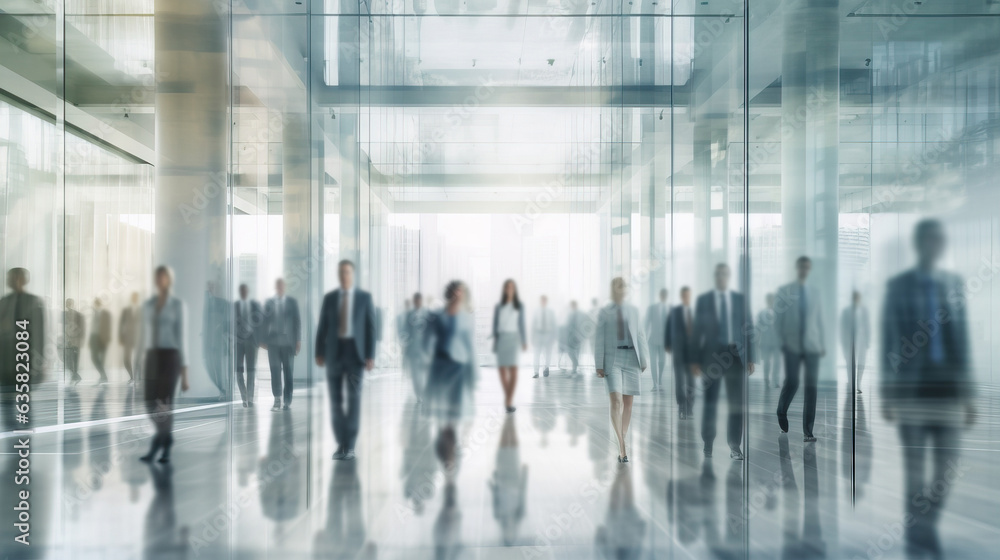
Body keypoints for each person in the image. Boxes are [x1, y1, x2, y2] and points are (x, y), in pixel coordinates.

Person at [881, 219, 976, 558]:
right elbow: (889, 341)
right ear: (919, 243)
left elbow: (962, 340)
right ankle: (916, 536)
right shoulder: (898, 286)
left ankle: (925, 523)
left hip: (948, 389)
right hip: (911, 391)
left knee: (948, 465)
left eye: (941, 240)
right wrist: (888, 393)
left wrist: (969, 395)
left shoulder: (953, 283)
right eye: (931, 239)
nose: (936, 245)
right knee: (915, 468)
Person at [690, 263, 755, 460]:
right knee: (711, 400)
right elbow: (696, 331)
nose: (722, 278)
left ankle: (735, 445)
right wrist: (694, 360)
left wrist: (751, 357)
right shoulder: (704, 300)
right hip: (711, 356)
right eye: (718, 274)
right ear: (714, 277)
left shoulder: (739, 300)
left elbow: (749, 327)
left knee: (737, 403)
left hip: (736, 355)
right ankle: (708, 442)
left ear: (729, 277)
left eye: (725, 274)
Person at [315, 260, 377, 461]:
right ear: (338, 274)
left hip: (355, 354)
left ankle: (349, 446)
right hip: (334, 353)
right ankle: (340, 443)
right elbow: (322, 327)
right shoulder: (330, 298)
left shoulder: (364, 298)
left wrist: (370, 355)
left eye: (348, 272)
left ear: (353, 274)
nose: (344, 275)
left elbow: (371, 328)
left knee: (354, 400)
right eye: (341, 272)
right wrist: (319, 351)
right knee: (335, 401)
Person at [137, 265, 191, 463]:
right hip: (152, 356)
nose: (160, 280)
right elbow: (143, 334)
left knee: (164, 404)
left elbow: (182, 338)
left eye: (164, 277)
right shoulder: (149, 304)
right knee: (149, 402)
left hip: (171, 357)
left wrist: (185, 373)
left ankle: (158, 444)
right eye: (157, 277)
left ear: (169, 279)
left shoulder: (177, 305)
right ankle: (166, 438)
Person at [595, 277, 649, 463]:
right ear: (613, 289)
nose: (622, 289)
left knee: (628, 403)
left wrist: (644, 359)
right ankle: (622, 446)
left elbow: (640, 335)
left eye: (624, 286)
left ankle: (622, 437)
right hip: (613, 359)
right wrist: (598, 364)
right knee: (616, 401)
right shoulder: (604, 312)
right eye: (618, 286)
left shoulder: (633, 311)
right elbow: (599, 338)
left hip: (631, 359)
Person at [775, 256, 826, 443]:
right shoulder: (785, 291)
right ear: (797, 268)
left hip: (812, 344)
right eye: (801, 267)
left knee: (811, 386)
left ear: (809, 269)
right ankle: (781, 410)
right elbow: (778, 319)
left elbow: (819, 320)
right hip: (792, 345)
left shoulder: (815, 292)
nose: (804, 270)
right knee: (793, 382)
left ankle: (808, 431)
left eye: (807, 267)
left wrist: (821, 343)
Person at [423, 281, 478, 424]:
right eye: (454, 291)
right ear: (449, 293)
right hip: (440, 363)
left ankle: (451, 432)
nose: (457, 294)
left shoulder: (466, 317)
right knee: (441, 401)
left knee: (456, 402)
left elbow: (470, 345)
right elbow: (426, 338)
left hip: (458, 364)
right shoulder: (436, 315)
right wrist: (427, 355)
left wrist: (473, 371)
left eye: (460, 291)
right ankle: (445, 431)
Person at [0, 268, 46, 429]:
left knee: (23, 398)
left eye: (12, 277)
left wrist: (40, 360)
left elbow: (39, 332)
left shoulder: (34, 302)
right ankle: (13, 429)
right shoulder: (4, 302)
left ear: (20, 279)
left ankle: (24, 429)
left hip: (24, 358)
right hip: (5, 360)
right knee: (6, 399)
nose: (8, 280)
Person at [262, 278, 301, 411]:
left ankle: (287, 399)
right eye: (277, 285)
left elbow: (297, 322)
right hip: (273, 342)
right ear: (275, 287)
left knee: (288, 371)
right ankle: (277, 399)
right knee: (275, 371)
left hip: (288, 342)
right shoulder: (269, 302)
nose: (279, 287)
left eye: (282, 285)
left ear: (285, 287)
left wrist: (298, 340)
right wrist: (262, 339)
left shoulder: (292, 302)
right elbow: (264, 321)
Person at [492, 279, 526, 413]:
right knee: (501, 370)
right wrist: (495, 342)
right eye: (507, 287)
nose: (510, 289)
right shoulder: (498, 306)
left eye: (512, 287)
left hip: (513, 338)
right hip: (501, 338)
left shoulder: (519, 306)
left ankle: (508, 401)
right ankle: (508, 398)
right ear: (504, 289)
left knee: (513, 370)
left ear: (515, 289)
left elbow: (522, 324)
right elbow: (495, 325)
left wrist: (524, 341)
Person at [665, 286, 696, 419]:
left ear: (690, 296)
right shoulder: (675, 311)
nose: (686, 298)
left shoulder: (695, 312)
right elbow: (668, 328)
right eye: (684, 295)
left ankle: (690, 406)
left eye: (688, 295)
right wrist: (667, 344)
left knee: (691, 380)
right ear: (681, 296)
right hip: (678, 350)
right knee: (679, 379)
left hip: (692, 352)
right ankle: (681, 404)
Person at [234, 283, 262, 407]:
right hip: (238, 341)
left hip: (252, 341)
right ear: (239, 292)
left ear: (248, 291)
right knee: (238, 370)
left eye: (245, 290)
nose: (243, 293)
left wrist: (260, 339)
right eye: (241, 291)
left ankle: (250, 398)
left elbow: (261, 322)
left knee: (251, 370)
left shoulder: (255, 305)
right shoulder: (234, 306)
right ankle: (243, 397)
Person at [840, 290, 870, 393]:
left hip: (862, 340)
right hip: (850, 341)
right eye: (855, 297)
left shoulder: (864, 310)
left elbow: (867, 326)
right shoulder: (846, 311)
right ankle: (851, 383)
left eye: (858, 297)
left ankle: (859, 384)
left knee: (862, 362)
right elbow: (843, 328)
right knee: (850, 363)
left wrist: (868, 341)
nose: (857, 299)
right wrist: (843, 343)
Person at [402, 293, 430, 401]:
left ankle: (424, 393)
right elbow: (405, 330)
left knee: (424, 373)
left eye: (419, 300)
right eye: (415, 300)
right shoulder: (409, 314)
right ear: (414, 301)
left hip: (425, 350)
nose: (417, 302)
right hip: (412, 349)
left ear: (421, 301)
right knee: (415, 374)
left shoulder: (427, 314)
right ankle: (419, 394)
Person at [645, 288, 670, 390]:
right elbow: (646, 324)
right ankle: (654, 382)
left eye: (665, 294)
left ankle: (659, 379)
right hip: (653, 339)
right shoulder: (652, 308)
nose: (663, 296)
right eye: (662, 294)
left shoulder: (670, 309)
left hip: (664, 340)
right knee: (653, 361)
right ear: (659, 295)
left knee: (662, 360)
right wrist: (644, 338)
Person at [757, 293, 781, 389]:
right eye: (769, 299)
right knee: (767, 362)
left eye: (772, 299)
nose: (771, 301)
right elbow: (758, 328)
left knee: (777, 362)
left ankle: (775, 381)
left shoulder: (779, 313)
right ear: (767, 301)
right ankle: (766, 380)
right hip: (765, 341)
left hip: (777, 342)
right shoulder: (762, 313)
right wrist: (757, 341)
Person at [531, 295, 557, 378]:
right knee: (536, 353)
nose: (543, 302)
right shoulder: (536, 311)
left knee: (548, 353)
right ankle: (536, 372)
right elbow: (533, 324)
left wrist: (553, 337)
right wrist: (532, 337)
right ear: (540, 301)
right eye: (542, 300)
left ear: (546, 301)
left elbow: (554, 325)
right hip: (538, 334)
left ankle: (546, 368)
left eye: (544, 300)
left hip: (548, 334)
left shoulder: (550, 312)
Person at [89, 297, 113, 384]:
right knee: (94, 357)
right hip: (94, 337)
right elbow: (91, 327)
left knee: (102, 359)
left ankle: (103, 376)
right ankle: (103, 375)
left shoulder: (105, 313)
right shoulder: (92, 313)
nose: (94, 305)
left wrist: (107, 339)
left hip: (102, 338)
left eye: (95, 303)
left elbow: (109, 327)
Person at [119, 292, 142, 384]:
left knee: (139, 358)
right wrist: (120, 337)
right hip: (128, 337)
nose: (134, 298)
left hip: (139, 338)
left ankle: (138, 377)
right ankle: (131, 376)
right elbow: (121, 324)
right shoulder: (126, 310)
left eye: (136, 297)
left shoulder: (142, 310)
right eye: (133, 297)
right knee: (126, 359)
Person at [63, 298, 86, 386]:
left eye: (69, 303)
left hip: (76, 341)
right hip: (68, 340)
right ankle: (75, 375)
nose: (68, 304)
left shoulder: (78, 315)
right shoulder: (64, 314)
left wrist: (81, 340)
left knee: (75, 359)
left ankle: (75, 374)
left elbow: (82, 329)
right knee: (68, 359)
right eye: (67, 303)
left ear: (72, 304)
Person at [565, 301, 586, 375]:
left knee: (577, 352)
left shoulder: (582, 314)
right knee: (570, 351)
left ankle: (575, 369)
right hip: (571, 336)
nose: (572, 307)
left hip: (579, 335)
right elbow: (568, 325)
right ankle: (576, 363)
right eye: (571, 306)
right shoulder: (570, 314)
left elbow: (585, 324)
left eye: (573, 305)